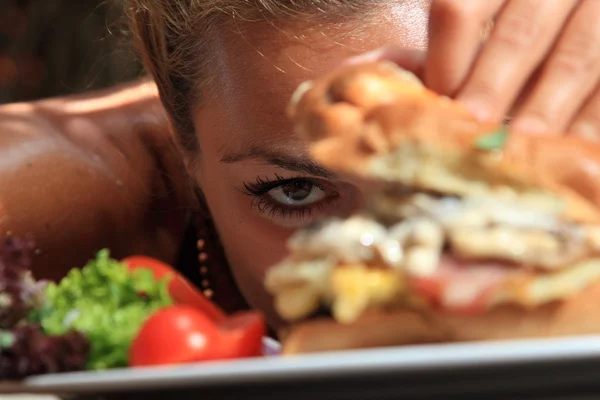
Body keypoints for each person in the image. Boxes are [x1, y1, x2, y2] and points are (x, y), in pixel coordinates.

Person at [1, 0, 599, 329]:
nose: (401, 273)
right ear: (182, 140)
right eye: (294, 191)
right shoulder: (66, 185)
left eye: (466, 186)